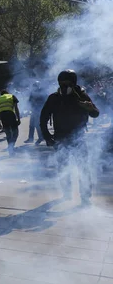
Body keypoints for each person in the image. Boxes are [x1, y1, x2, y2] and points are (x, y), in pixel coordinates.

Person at [40, 70, 99, 206]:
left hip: (79, 139)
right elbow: (43, 118)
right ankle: (66, 193)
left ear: (73, 83)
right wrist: (47, 136)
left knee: (83, 167)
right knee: (62, 167)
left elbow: (96, 113)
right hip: (60, 139)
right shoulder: (54, 98)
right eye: (61, 84)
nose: (63, 87)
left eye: (66, 84)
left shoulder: (82, 96)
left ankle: (85, 197)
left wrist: (90, 109)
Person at [0, 90, 21, 156]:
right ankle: (11, 146)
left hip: (2, 116)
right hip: (10, 114)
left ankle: (10, 148)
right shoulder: (12, 96)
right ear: (7, 93)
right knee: (15, 132)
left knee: (8, 133)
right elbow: (16, 108)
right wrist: (18, 118)